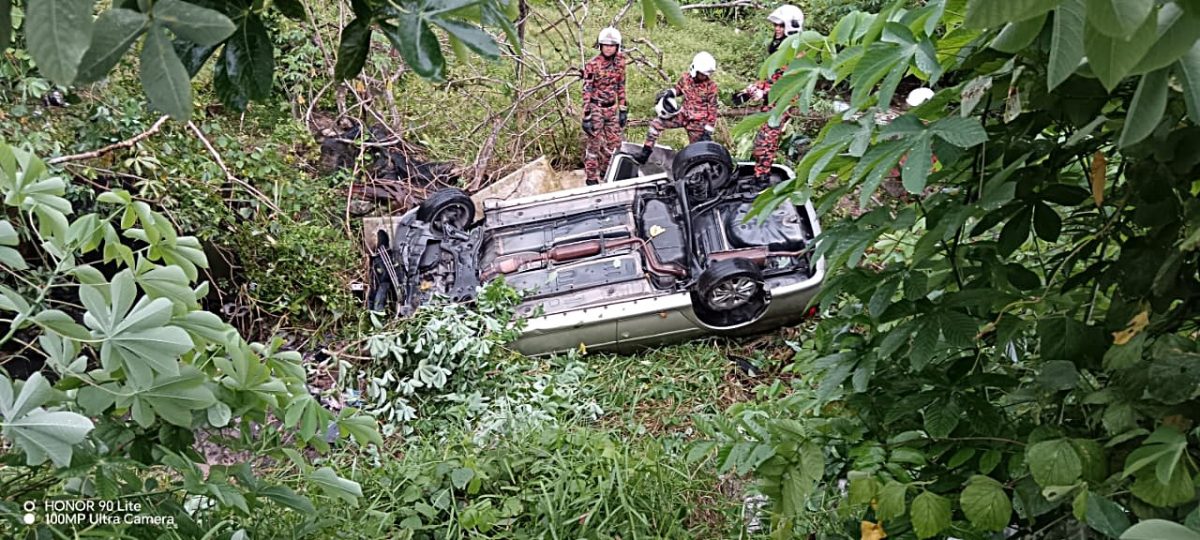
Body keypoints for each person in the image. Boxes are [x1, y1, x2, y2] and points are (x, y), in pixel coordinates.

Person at [732, 5, 805, 183]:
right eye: (776, 26)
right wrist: (749, 91)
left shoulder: (797, 55)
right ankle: (760, 174)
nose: (776, 29)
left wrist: (764, 94)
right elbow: (770, 78)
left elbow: (789, 86)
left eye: (780, 26)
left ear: (790, 27)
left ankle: (762, 180)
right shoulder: (780, 50)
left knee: (765, 144)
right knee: (761, 143)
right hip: (771, 103)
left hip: (782, 105)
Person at [631, 51, 720, 164]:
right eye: (701, 74)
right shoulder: (686, 78)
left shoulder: (711, 87)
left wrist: (708, 129)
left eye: (706, 75)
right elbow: (678, 89)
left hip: (698, 122)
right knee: (656, 124)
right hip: (683, 114)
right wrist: (669, 93)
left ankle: (701, 171)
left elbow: (713, 108)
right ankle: (645, 153)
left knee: (698, 152)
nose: (704, 77)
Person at [581, 27, 628, 185]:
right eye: (605, 45)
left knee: (615, 145)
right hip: (596, 108)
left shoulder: (621, 63)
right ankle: (591, 178)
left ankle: (607, 171)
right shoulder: (592, 65)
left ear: (617, 47)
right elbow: (586, 90)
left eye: (612, 45)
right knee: (594, 145)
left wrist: (622, 109)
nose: (608, 48)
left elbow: (621, 86)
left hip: (611, 109)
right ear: (600, 46)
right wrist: (586, 116)